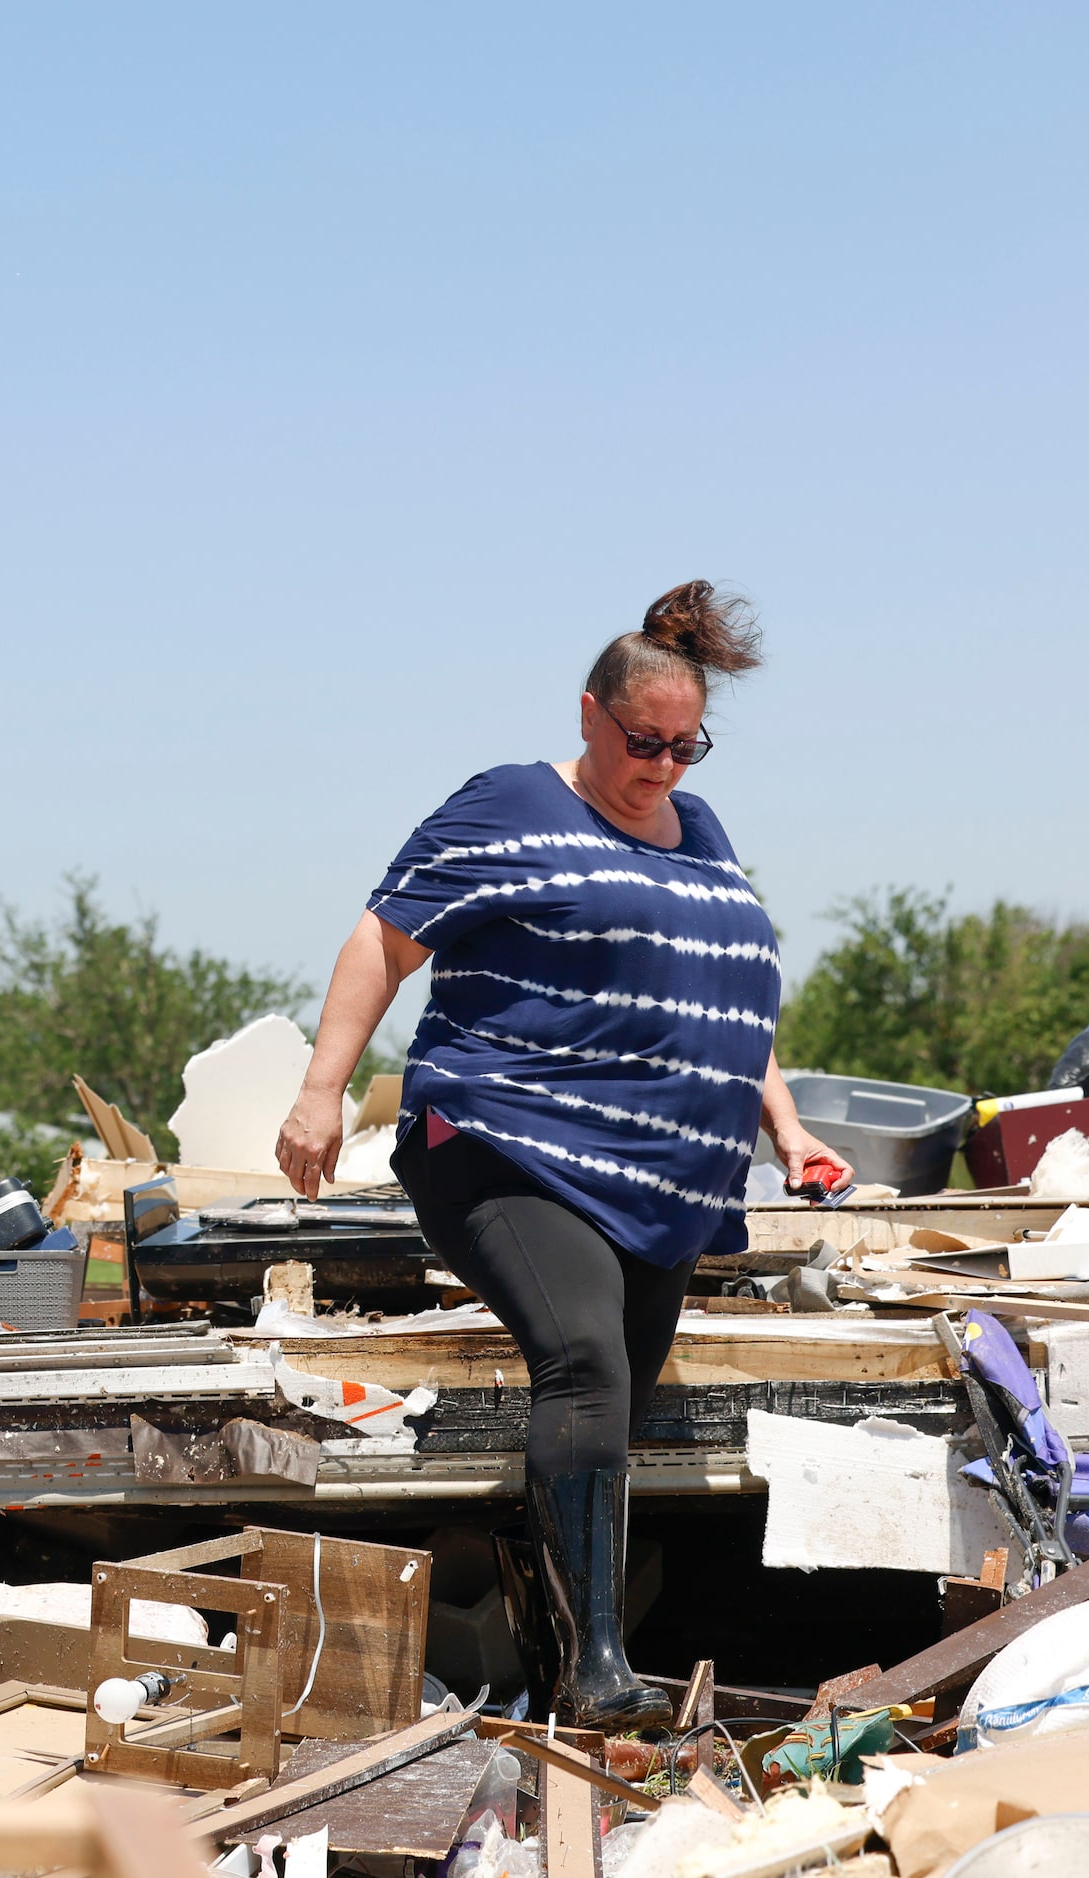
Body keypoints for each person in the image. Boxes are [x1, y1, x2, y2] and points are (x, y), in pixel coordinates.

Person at [274, 582, 847, 1729]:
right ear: (590, 715)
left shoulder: (703, 834)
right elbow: (381, 937)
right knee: (582, 1364)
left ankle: (558, 1677)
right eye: (644, 742)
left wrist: (783, 1126)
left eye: (688, 745)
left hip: (660, 1176)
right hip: (506, 1136)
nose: (666, 767)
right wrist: (318, 1089)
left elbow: (723, 995)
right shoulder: (509, 803)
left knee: (611, 1404)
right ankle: (597, 1674)